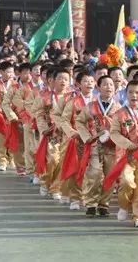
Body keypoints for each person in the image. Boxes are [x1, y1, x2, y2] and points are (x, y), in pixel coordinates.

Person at [76, 75, 121, 217]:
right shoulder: (91, 106)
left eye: (111, 85)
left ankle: (104, 204)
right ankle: (90, 203)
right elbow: (80, 122)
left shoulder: (119, 108)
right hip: (95, 145)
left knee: (110, 176)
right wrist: (87, 137)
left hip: (112, 147)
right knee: (94, 173)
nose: (109, 87)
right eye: (105, 84)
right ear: (98, 88)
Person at [110, 80, 138, 227]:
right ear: (126, 94)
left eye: (137, 92)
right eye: (130, 92)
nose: (134, 95)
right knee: (126, 181)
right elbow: (114, 133)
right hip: (125, 155)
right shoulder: (119, 114)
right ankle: (124, 204)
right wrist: (129, 144)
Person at [58, 71, 95, 210]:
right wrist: (72, 133)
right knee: (76, 168)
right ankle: (75, 197)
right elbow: (64, 120)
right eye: (86, 81)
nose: (89, 84)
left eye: (92, 81)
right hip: (78, 140)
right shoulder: (73, 102)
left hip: (95, 141)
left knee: (92, 170)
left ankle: (89, 197)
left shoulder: (98, 102)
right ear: (79, 85)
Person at [33, 67, 71, 200]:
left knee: (62, 161)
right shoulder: (44, 96)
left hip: (67, 135)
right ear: (53, 81)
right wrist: (44, 128)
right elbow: (38, 114)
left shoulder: (72, 97)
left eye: (66, 79)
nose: (63, 81)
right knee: (52, 160)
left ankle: (56, 187)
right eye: (60, 78)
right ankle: (45, 181)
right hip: (51, 134)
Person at [0, 62, 17, 171]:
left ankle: (12, 159)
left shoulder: (15, 84)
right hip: (0, 115)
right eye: (8, 72)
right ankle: (2, 161)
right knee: (1, 139)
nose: (10, 74)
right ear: (1, 72)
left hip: (12, 115)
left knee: (12, 137)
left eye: (12, 72)